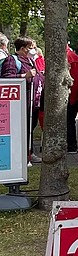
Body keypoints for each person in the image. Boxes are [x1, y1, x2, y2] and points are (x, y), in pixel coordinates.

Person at [1, 36, 42, 165]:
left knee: (30, 129)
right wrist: (24, 76)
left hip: (33, 103)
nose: (34, 50)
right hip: (20, 104)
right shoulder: (12, 60)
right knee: (21, 130)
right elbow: (7, 79)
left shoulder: (30, 60)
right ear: (23, 48)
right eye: (32, 48)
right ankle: (21, 156)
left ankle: (28, 153)